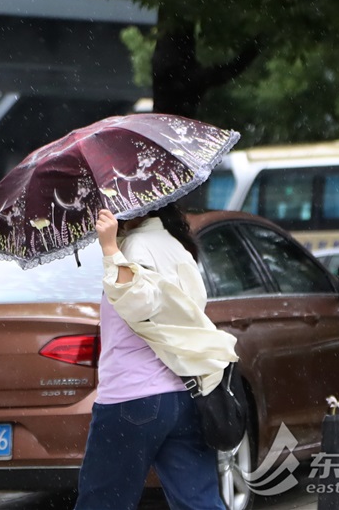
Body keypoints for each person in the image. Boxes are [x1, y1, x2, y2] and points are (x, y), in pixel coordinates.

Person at [74, 204, 226, 510]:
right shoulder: (175, 246)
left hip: (132, 397)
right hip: (184, 394)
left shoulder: (133, 247)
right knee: (199, 503)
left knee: (103, 502)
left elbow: (140, 304)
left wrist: (110, 249)